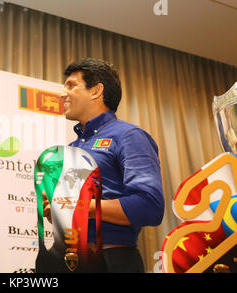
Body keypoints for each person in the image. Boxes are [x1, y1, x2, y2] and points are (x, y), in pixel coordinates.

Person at [42, 58, 164, 273]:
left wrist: (78, 205)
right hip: (69, 260)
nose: (62, 93)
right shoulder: (71, 147)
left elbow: (149, 206)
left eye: (71, 85)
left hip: (112, 261)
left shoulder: (128, 136)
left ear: (96, 91)